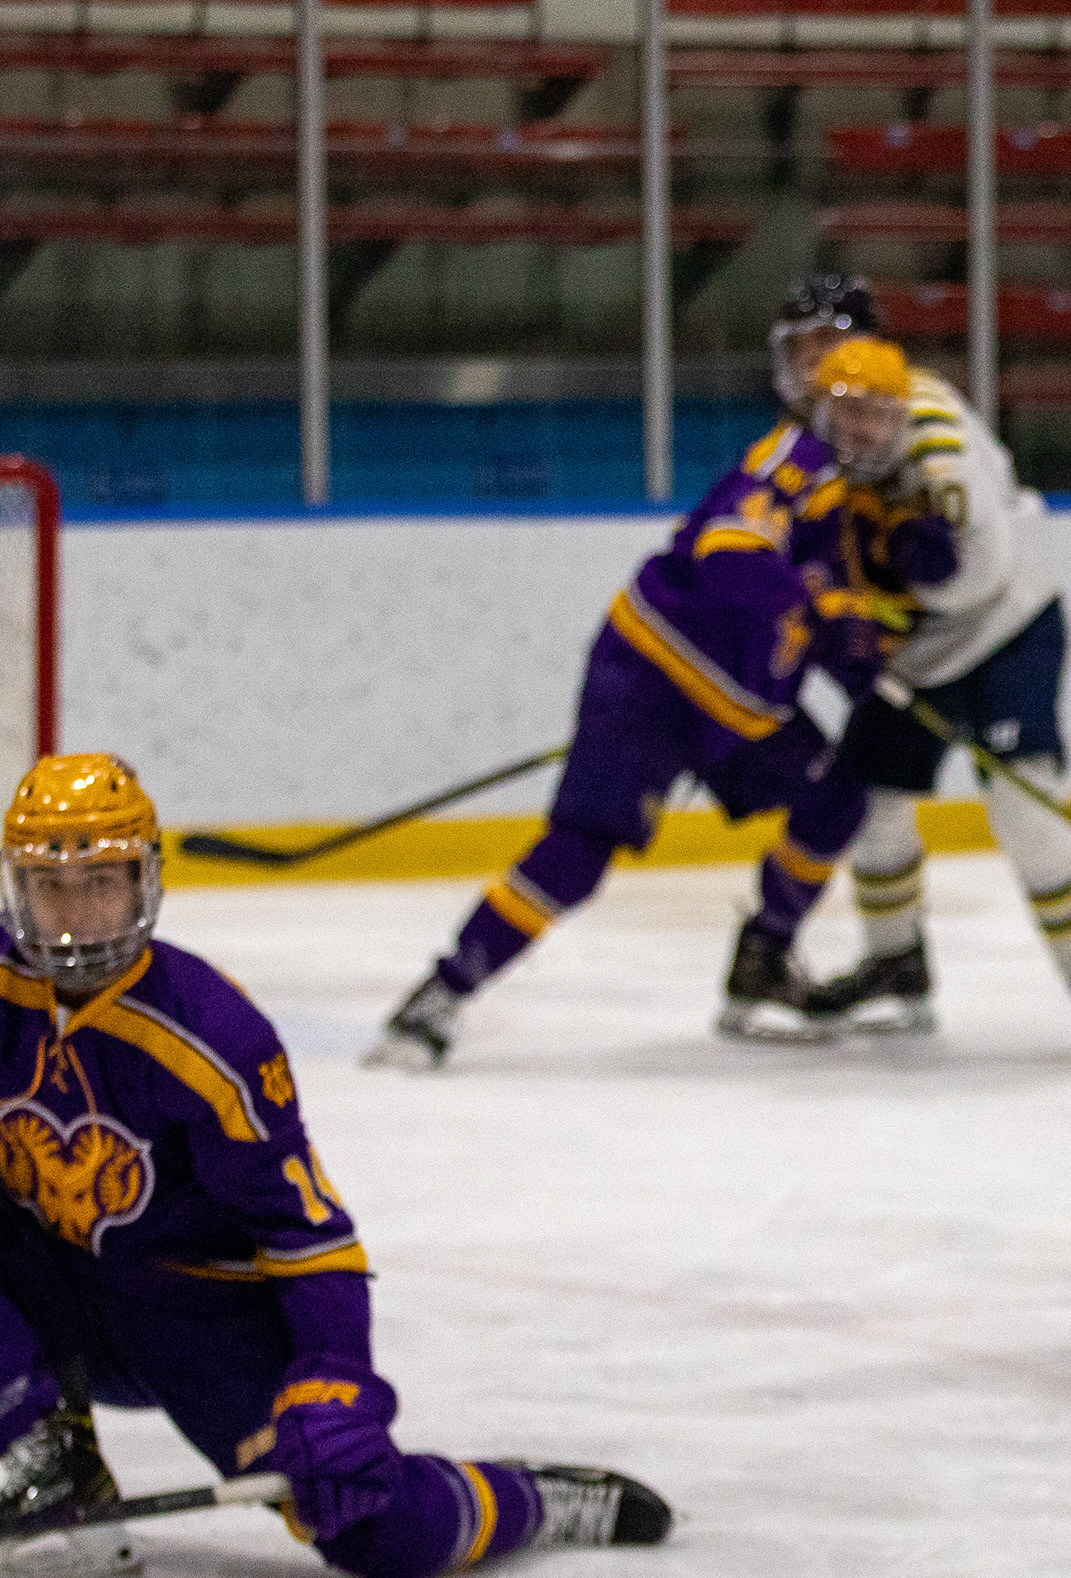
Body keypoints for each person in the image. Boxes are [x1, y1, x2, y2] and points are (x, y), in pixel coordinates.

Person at [0, 752, 669, 1578]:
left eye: (102, 885)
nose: (76, 915)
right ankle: (56, 1469)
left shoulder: (208, 1035)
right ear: (13, 890)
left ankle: (530, 1496)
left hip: (202, 1324)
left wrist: (333, 1378)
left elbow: (308, 1236)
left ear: (144, 885)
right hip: (58, 1284)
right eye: (53, 889)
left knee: (368, 1531)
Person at [365, 337, 934, 1062]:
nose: (866, 431)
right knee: (579, 851)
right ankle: (439, 996)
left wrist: (857, 658)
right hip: (654, 678)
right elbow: (732, 564)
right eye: (853, 411)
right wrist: (823, 617)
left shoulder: (845, 498)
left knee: (839, 787)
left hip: (738, 710)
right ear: (817, 405)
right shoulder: (791, 467)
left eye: (882, 417)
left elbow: (815, 608)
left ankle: (763, 963)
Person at [748, 277, 1071, 1034]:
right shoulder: (817, 444)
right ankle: (895, 962)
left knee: (1025, 811)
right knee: (873, 805)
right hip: (914, 658)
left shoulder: (929, 432)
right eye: (799, 352)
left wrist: (882, 613)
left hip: (1005, 632)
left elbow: (982, 569)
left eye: (824, 347)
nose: (810, 368)